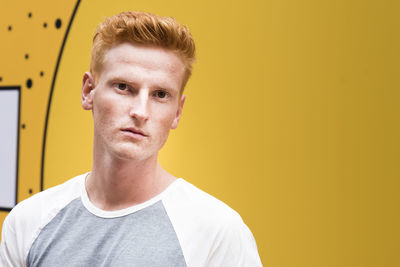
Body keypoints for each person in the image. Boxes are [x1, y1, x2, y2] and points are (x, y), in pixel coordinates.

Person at [0, 11, 262, 266]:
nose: (141, 112)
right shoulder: (29, 222)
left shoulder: (217, 232)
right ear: (89, 91)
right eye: (124, 87)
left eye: (160, 95)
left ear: (177, 112)